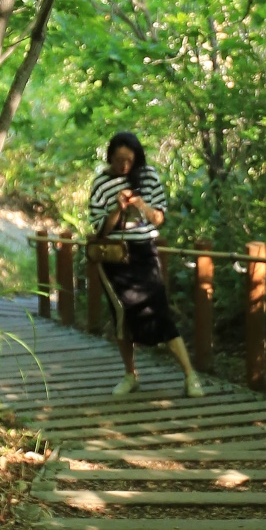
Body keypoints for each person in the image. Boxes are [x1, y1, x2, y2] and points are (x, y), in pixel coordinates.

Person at [88, 131, 205, 397]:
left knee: (159, 310)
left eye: (129, 160)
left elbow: (158, 218)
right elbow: (99, 230)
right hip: (115, 257)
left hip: (144, 254)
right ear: (110, 157)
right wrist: (117, 208)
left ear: (137, 158)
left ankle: (190, 375)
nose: (124, 166)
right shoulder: (101, 182)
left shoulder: (149, 177)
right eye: (119, 160)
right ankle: (130, 375)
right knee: (122, 315)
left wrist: (140, 203)